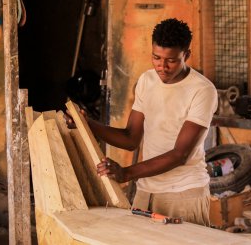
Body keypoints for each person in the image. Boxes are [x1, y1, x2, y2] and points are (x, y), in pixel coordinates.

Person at [65, 18, 218, 226]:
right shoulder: (147, 81)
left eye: (171, 60)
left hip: (184, 194)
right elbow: (130, 138)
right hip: (146, 191)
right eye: (156, 57)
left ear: (186, 55)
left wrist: (126, 173)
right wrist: (87, 124)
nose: (162, 66)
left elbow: (179, 154)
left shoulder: (202, 90)